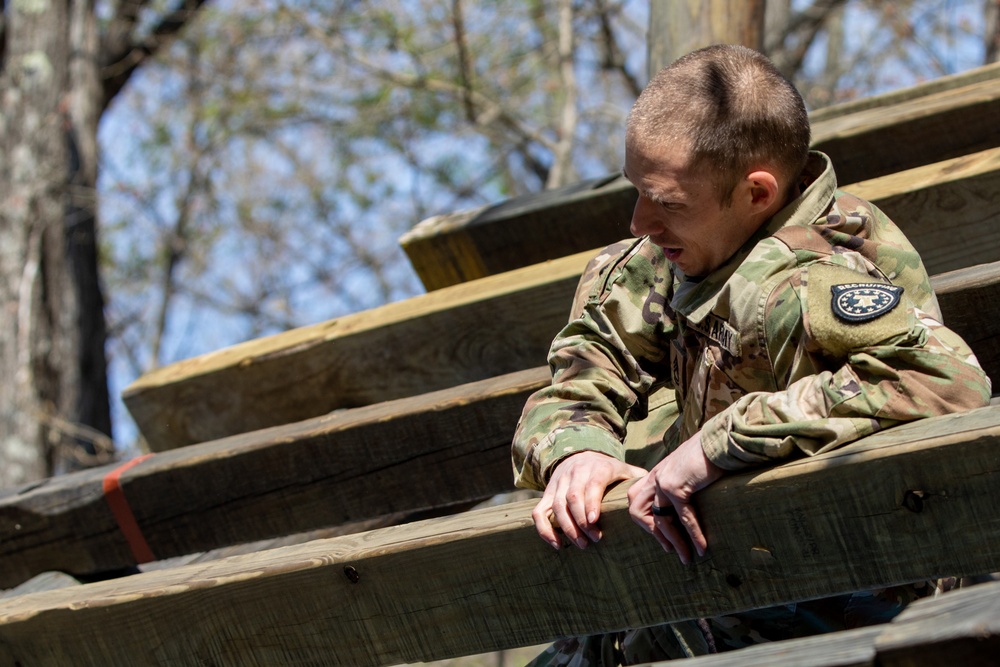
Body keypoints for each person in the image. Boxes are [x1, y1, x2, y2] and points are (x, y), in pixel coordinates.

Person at [511, 44, 992, 665]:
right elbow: (582, 370)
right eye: (638, 192)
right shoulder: (675, 253)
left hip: (856, 591)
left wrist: (718, 444)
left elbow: (946, 378)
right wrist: (576, 451)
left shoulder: (807, 279)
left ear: (757, 193)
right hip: (722, 584)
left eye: (668, 202)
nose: (640, 221)